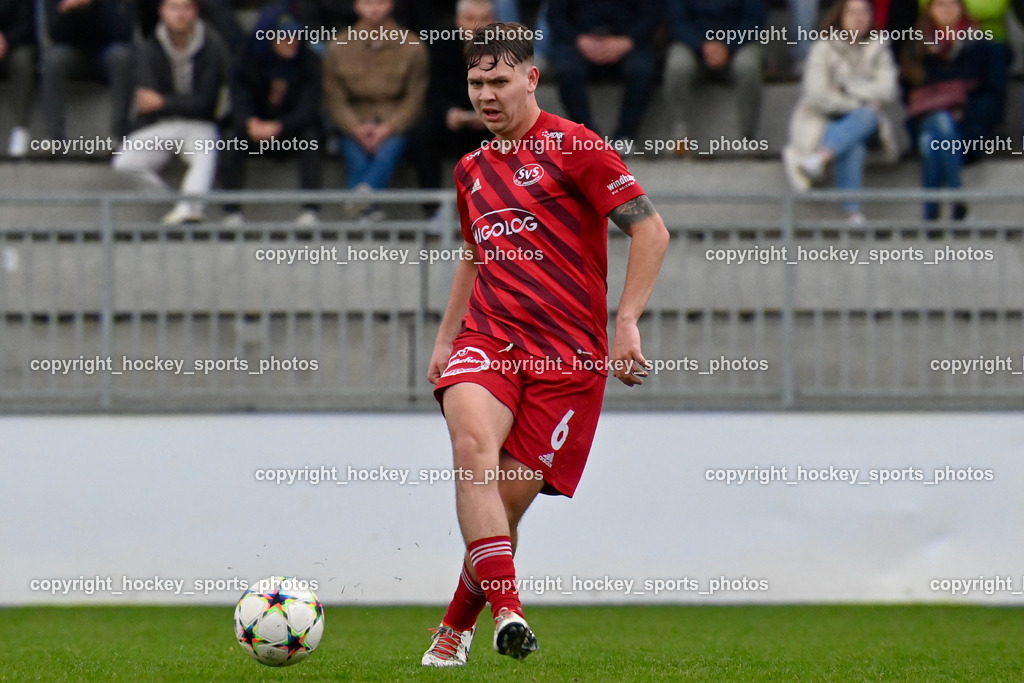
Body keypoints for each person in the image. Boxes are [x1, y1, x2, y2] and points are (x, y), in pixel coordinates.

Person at [420, 21, 669, 667]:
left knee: (502, 506)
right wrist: (448, 338)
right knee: (472, 447)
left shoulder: (577, 147)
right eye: (476, 83)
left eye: (499, 80)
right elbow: (474, 256)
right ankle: (510, 611)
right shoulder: (471, 168)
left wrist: (626, 322)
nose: (486, 94)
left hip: (568, 360)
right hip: (490, 340)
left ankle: (453, 629)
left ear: (531, 77)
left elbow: (652, 232)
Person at [782, 0, 901, 224]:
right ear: (840, 16)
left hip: (866, 122)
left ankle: (819, 158)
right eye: (852, 12)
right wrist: (859, 101)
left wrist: (846, 88)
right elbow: (817, 94)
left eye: (864, 12)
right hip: (822, 119)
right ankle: (852, 212)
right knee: (855, 139)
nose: (859, 17)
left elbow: (888, 89)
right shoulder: (822, 48)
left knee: (867, 116)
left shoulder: (880, 48)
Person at [112, 0, 228, 224]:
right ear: (162, 12)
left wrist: (164, 102)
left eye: (186, 8)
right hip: (161, 124)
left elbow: (206, 103)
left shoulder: (212, 48)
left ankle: (190, 209)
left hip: (199, 124)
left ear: (195, 11)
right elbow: (147, 101)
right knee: (124, 163)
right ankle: (171, 202)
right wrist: (172, 104)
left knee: (206, 149)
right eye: (174, 8)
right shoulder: (148, 48)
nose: (180, 15)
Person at [323, 0, 427, 220]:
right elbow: (334, 97)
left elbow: (415, 97)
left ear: (390, 4)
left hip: (395, 118)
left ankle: (360, 199)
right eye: (368, 2)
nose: (374, 8)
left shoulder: (412, 46)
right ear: (356, 5)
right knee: (353, 147)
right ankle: (367, 207)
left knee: (390, 146)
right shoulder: (338, 46)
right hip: (353, 119)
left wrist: (389, 127)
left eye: (380, 2)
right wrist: (355, 127)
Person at [220, 8, 323, 226]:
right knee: (232, 138)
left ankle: (310, 210)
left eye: (296, 35)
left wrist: (279, 126)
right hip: (255, 132)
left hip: (290, 131)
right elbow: (239, 100)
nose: (292, 41)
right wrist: (250, 122)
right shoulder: (245, 60)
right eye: (284, 36)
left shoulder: (309, 61)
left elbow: (309, 107)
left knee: (311, 136)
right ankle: (231, 212)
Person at [902, 0, 1000, 220]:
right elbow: (909, 91)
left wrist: (962, 109)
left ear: (962, 8)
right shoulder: (916, 45)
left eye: (953, 5)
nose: (947, 10)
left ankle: (931, 214)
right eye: (941, 5)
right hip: (923, 118)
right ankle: (957, 196)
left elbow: (990, 93)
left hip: (966, 122)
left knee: (931, 141)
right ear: (930, 10)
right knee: (940, 122)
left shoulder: (980, 45)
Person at [408, 0, 495, 223]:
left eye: (484, 19)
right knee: (423, 134)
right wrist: (448, 112)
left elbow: (514, 93)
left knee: (505, 138)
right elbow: (433, 89)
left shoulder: (507, 50)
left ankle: (487, 211)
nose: (477, 26)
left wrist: (490, 115)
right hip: (452, 120)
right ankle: (433, 211)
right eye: (469, 19)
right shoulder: (441, 44)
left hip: (490, 122)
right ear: (458, 21)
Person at [547, 0, 662, 143]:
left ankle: (625, 136)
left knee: (641, 70)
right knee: (566, 70)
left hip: (629, 41)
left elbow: (651, 15)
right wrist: (578, 40)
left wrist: (628, 41)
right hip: (579, 41)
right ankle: (588, 137)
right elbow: (555, 16)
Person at [664, 0, 766, 145]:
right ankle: (678, 132)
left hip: (738, 44)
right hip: (694, 46)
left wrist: (729, 45)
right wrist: (701, 45)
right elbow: (677, 20)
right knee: (677, 65)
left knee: (748, 66)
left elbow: (754, 20)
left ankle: (748, 136)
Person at [39, 0, 135, 141]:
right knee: (53, 60)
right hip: (73, 52)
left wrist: (94, 5)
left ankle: (118, 135)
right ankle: (54, 138)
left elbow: (123, 33)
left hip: (108, 51)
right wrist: (68, 13)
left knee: (122, 57)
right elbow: (54, 34)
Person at [0, 0, 35, 157]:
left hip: (15, 45)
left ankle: (20, 130)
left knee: (23, 60)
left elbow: (27, 24)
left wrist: (6, 40)